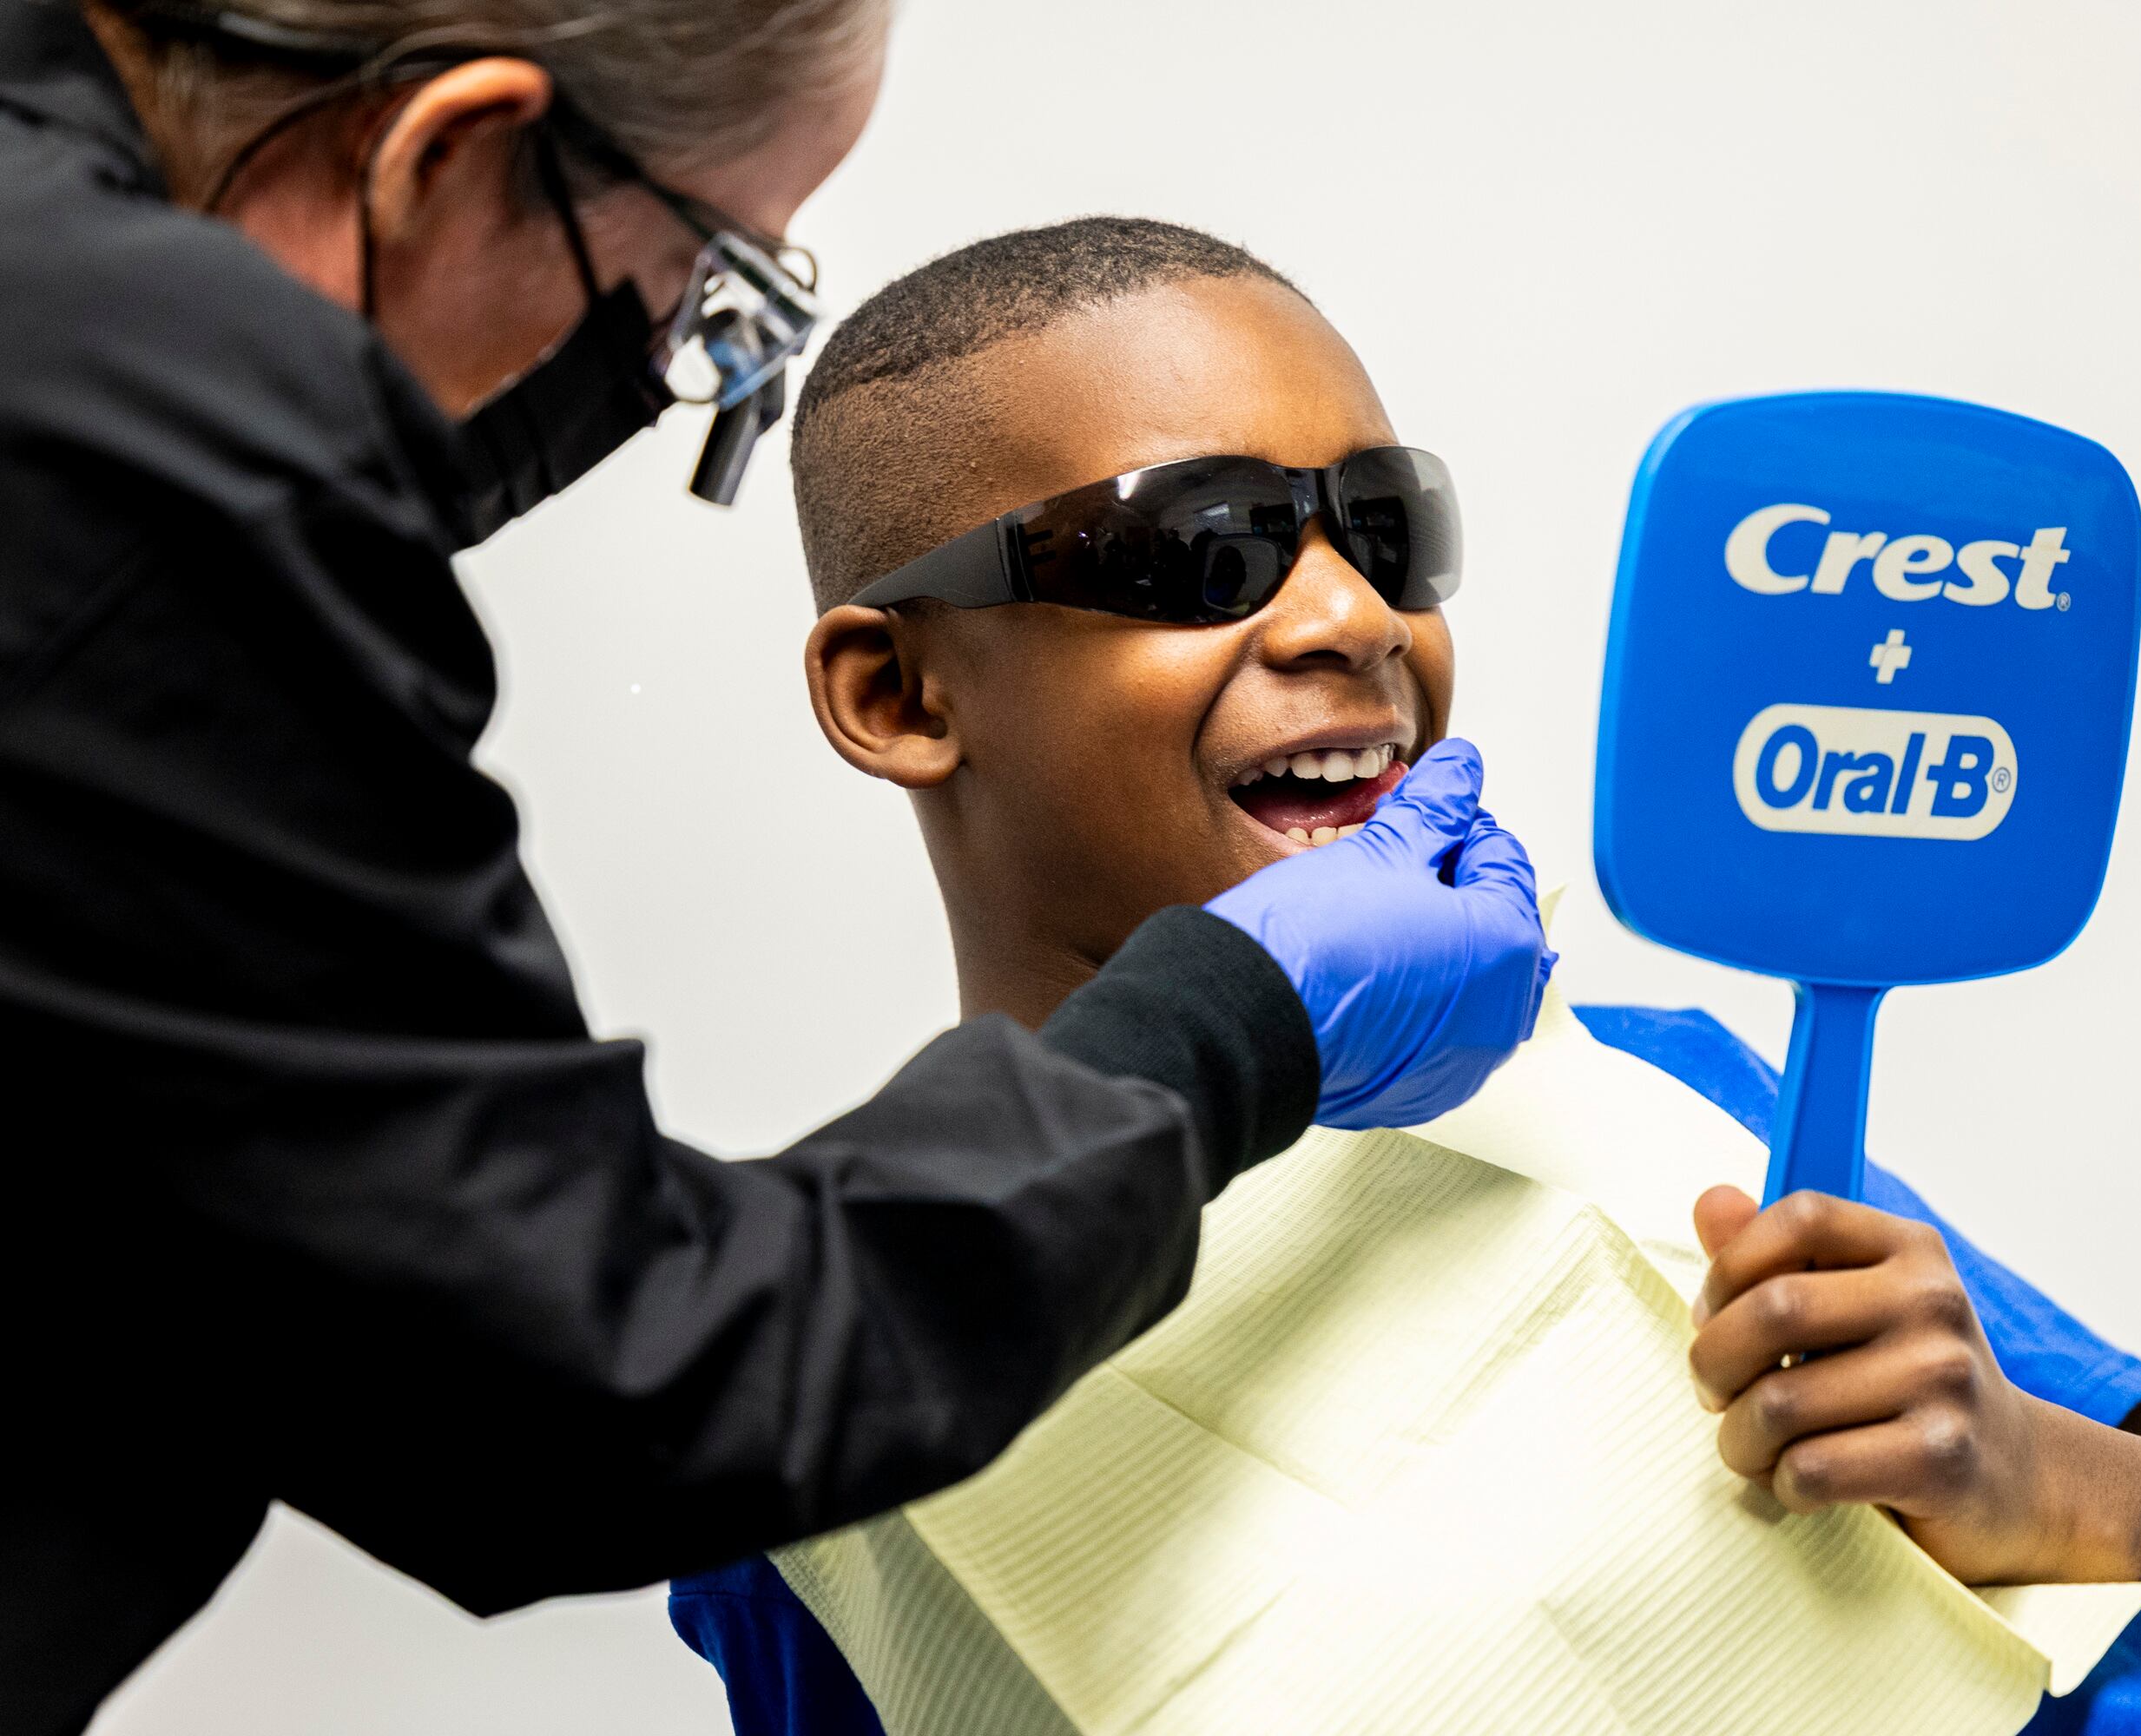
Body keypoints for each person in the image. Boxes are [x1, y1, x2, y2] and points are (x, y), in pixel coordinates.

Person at [668, 216, 2141, 1733]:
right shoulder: (786, 1427)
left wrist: (2038, 1476)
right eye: (1198, 552)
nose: (1351, 618)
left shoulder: (1664, 1092)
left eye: (1383, 530)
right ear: (900, 694)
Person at [0, 7, 1551, 1731]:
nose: (1347, 614)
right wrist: (1231, 1016)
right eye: (697, 293)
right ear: (444, 155)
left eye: (1386, 532)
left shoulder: (1687, 1128)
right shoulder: (128, 460)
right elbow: (581, 1384)